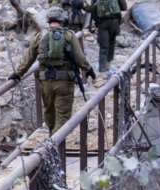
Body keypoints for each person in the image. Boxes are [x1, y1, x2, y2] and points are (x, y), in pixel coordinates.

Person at [8, 6, 95, 136]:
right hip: (64, 83)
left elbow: (28, 59)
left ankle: (51, 143)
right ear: (62, 20)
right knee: (62, 119)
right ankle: (55, 148)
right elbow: (80, 58)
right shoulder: (69, 35)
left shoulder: (39, 36)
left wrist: (17, 74)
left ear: (49, 20)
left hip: (46, 83)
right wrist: (89, 70)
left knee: (50, 114)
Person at [91, 0, 127, 77]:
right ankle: (108, 63)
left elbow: (93, 10)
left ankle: (102, 71)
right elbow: (124, 7)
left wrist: (98, 22)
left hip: (103, 22)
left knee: (103, 46)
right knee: (112, 41)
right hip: (115, 21)